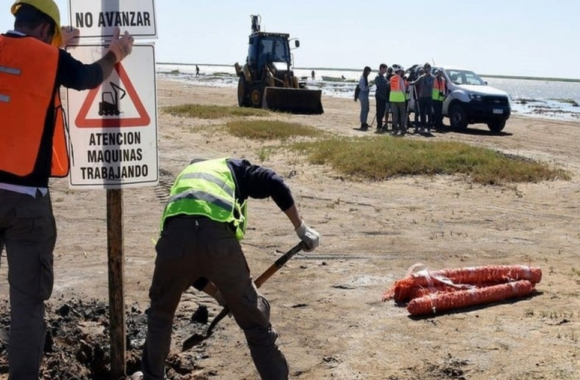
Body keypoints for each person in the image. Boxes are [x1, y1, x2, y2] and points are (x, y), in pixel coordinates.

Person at [0, 1, 135, 379]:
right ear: (46, 30)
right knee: (27, 304)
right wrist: (117, 51)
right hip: (27, 202)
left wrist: (58, 47)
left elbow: (20, 71)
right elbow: (91, 76)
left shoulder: (33, 52)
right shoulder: (50, 60)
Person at [139, 157, 320, 380]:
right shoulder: (233, 168)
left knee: (160, 315)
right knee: (255, 322)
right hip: (219, 244)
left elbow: (184, 261)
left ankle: (151, 377)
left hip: (173, 243)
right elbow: (275, 182)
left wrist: (218, 294)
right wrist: (301, 229)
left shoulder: (184, 182)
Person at [411, 63, 435, 134]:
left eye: (427, 68)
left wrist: (426, 79)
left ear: (430, 69)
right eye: (425, 68)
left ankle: (429, 128)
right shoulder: (421, 77)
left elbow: (430, 85)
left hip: (429, 97)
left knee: (429, 113)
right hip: (422, 97)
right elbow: (415, 82)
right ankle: (422, 127)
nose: (426, 69)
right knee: (422, 113)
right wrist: (408, 82)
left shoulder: (432, 77)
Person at [389, 65, 407, 136]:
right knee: (402, 114)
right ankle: (402, 129)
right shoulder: (400, 79)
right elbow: (403, 89)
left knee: (395, 114)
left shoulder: (391, 78)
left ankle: (395, 129)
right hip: (400, 98)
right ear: (399, 71)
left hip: (393, 98)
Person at [374, 63, 389, 132]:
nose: (385, 71)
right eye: (385, 69)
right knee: (379, 111)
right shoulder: (377, 77)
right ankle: (379, 126)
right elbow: (381, 86)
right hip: (379, 96)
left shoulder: (383, 77)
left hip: (384, 97)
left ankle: (380, 125)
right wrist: (388, 84)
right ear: (381, 68)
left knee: (382, 111)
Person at [358, 66, 371, 130]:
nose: (369, 73)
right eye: (369, 72)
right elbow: (363, 88)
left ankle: (364, 122)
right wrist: (368, 87)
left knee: (367, 109)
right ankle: (363, 122)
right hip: (363, 94)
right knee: (364, 109)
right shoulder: (363, 78)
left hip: (364, 94)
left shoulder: (365, 78)